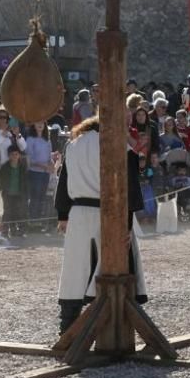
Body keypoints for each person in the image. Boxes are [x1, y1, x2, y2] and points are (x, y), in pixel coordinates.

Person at [55, 116, 148, 334]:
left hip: (77, 212)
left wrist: (62, 214)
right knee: (112, 266)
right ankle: (112, 328)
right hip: (108, 215)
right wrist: (126, 225)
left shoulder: (73, 145)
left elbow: (63, 180)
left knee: (74, 270)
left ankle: (67, 327)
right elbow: (129, 187)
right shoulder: (117, 146)